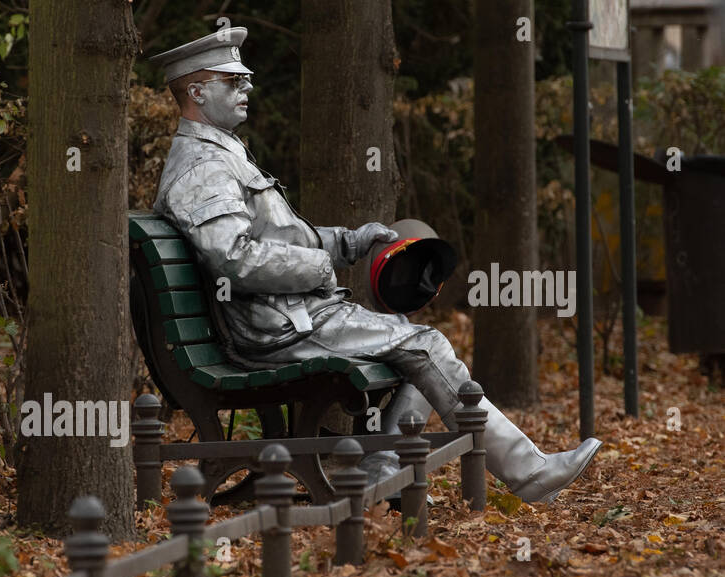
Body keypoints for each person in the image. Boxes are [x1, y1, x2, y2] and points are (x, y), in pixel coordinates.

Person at [149, 27, 602, 503]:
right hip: (273, 327)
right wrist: (319, 270)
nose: (247, 89)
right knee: (426, 347)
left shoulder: (223, 153)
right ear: (197, 91)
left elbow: (275, 239)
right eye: (232, 81)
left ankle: (383, 466)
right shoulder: (203, 167)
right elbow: (234, 261)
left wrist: (348, 242)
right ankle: (526, 473)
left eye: (244, 80)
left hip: (285, 315)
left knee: (414, 344)